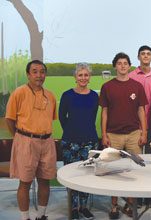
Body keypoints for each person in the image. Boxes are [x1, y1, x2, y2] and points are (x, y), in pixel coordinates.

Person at [5, 60, 57, 220]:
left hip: (47, 142)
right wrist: (20, 138)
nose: (39, 75)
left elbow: (50, 119)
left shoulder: (50, 96)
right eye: (34, 71)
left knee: (45, 181)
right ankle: (25, 217)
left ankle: (41, 215)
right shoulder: (19, 93)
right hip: (26, 141)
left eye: (42, 72)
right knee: (25, 182)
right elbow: (9, 120)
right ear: (28, 74)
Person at [99, 52, 147, 219]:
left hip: (134, 134)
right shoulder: (107, 87)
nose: (122, 66)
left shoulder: (137, 86)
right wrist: (104, 134)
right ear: (115, 66)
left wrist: (144, 131)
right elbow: (104, 112)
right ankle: (114, 206)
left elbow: (141, 110)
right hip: (113, 135)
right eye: (119, 63)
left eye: (125, 63)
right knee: (113, 171)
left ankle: (130, 204)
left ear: (129, 65)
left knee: (134, 169)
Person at [59, 63, 99, 220]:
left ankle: (83, 206)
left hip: (90, 142)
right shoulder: (67, 95)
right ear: (75, 77)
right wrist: (71, 131)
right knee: (71, 176)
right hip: (70, 142)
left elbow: (92, 117)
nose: (83, 78)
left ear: (89, 77)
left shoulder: (94, 96)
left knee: (87, 176)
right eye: (80, 75)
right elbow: (62, 118)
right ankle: (73, 207)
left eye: (86, 75)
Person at [129, 45, 151, 153]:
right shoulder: (130, 76)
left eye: (148, 54)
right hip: (135, 125)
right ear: (138, 57)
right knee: (134, 159)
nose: (145, 56)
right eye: (143, 54)